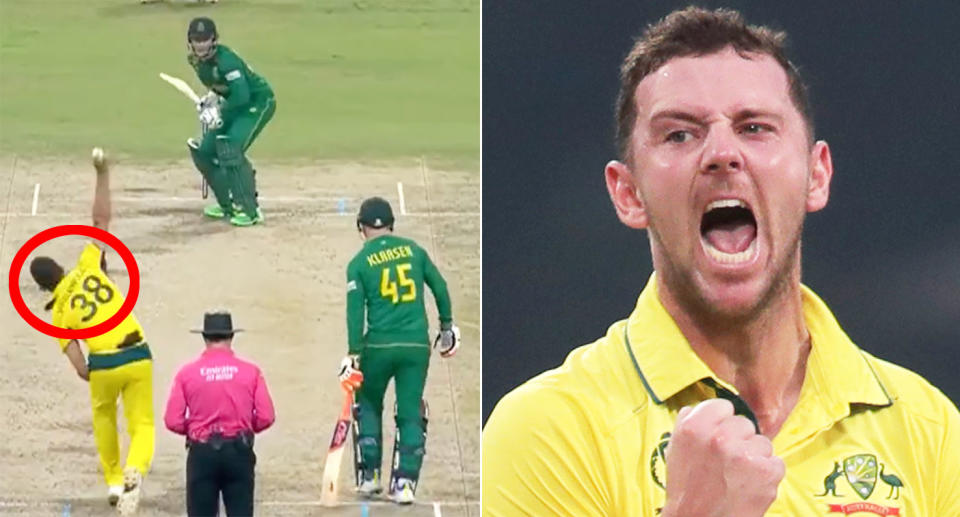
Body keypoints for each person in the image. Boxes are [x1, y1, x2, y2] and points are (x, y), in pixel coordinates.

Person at [482, 7, 960, 517]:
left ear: (816, 176)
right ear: (629, 194)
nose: (722, 153)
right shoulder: (549, 432)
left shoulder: (928, 429)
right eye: (680, 134)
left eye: (754, 127)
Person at [29, 148, 154, 516]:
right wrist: (102, 173)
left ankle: (115, 482)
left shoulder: (60, 314)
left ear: (44, 290)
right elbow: (101, 219)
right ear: (62, 267)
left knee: (103, 418)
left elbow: (79, 365)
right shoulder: (89, 264)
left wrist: (97, 376)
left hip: (101, 363)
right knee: (142, 422)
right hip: (136, 353)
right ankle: (137, 469)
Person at [338, 197, 460, 504]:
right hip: (415, 347)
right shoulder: (415, 252)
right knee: (409, 412)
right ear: (392, 224)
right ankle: (404, 484)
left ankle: (369, 478)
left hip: (377, 347)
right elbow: (441, 288)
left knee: (367, 405)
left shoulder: (358, 263)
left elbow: (355, 313)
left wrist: (353, 353)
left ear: (361, 228)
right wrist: (446, 327)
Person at [164, 311, 276, 517]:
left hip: (202, 452)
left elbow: (172, 420)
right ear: (231, 337)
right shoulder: (251, 371)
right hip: (239, 450)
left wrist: (196, 426)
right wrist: (244, 425)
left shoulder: (186, 374)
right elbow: (266, 416)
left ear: (204, 338)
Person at [185, 16, 276, 227]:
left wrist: (217, 111)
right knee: (205, 150)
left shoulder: (227, 62)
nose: (200, 44)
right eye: (196, 39)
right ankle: (228, 204)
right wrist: (211, 99)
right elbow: (220, 85)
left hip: (257, 102)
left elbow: (242, 96)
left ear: (214, 39)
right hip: (234, 103)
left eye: (205, 39)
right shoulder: (195, 60)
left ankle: (250, 210)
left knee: (230, 146)